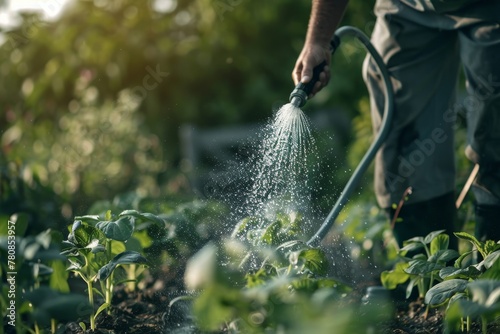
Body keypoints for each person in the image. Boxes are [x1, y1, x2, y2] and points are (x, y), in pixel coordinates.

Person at [293, 0, 500, 247]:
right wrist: (318, 39)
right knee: (404, 153)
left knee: (495, 131)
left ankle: (491, 274)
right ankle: (431, 277)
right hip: (409, 6)